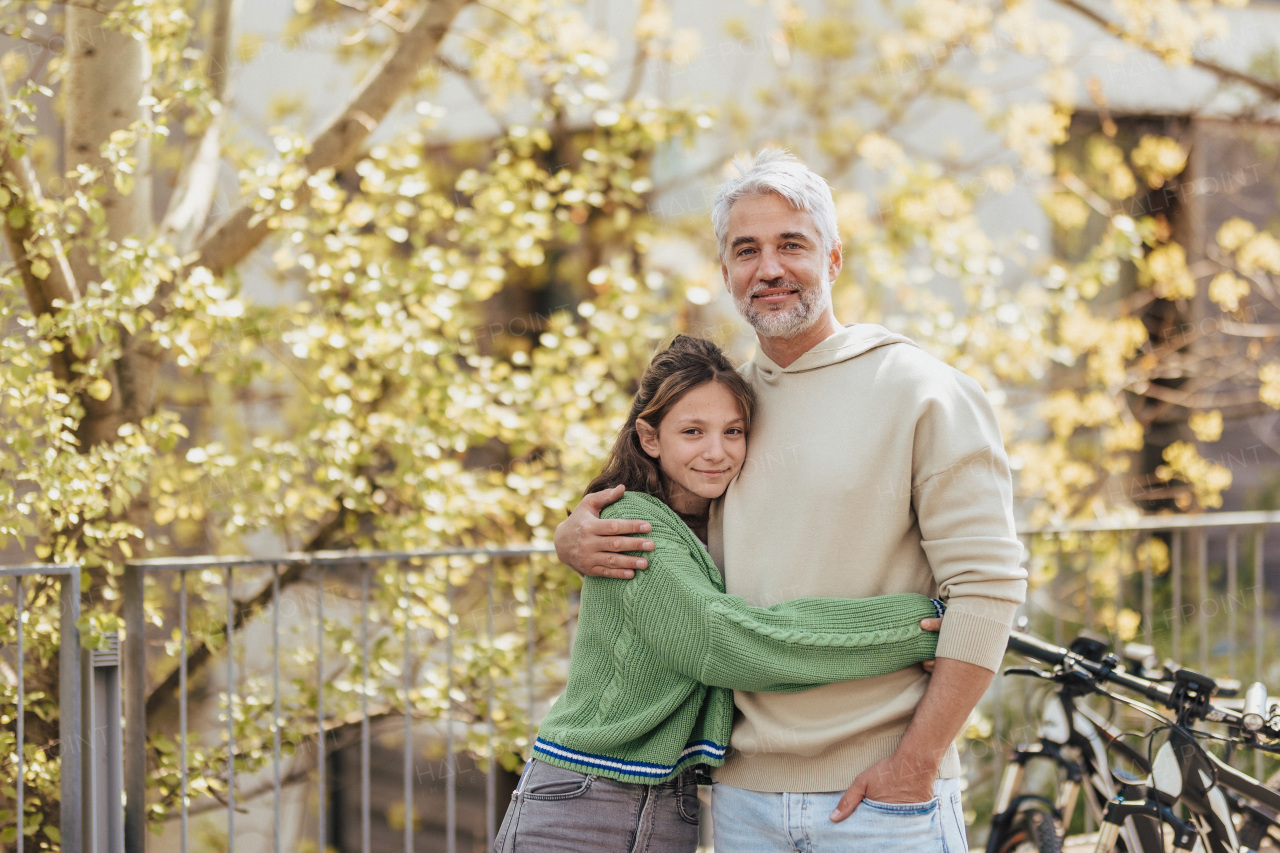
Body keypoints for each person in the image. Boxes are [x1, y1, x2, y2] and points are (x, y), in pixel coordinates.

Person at [555, 149, 1028, 852]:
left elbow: (988, 590)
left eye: (791, 245)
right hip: (743, 799)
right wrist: (570, 538)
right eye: (746, 250)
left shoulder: (923, 391)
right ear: (725, 275)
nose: (768, 268)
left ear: (833, 259)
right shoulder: (721, 409)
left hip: (881, 798)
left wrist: (916, 762)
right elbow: (652, 517)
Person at [495, 334, 949, 853]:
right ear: (650, 437)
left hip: (674, 803)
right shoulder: (631, 522)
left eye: (733, 431)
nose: (716, 452)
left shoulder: (724, 522)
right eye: (692, 431)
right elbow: (725, 643)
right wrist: (919, 626)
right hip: (583, 799)